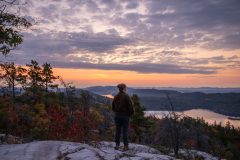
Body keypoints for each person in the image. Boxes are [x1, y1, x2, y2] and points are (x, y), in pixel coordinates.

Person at [112, 83, 134, 151]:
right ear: (124, 88)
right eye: (125, 88)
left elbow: (113, 107)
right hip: (125, 117)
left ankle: (117, 145)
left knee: (118, 131)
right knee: (125, 131)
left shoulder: (116, 96)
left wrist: (116, 112)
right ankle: (126, 146)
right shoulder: (126, 96)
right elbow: (131, 108)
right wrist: (130, 114)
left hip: (117, 116)